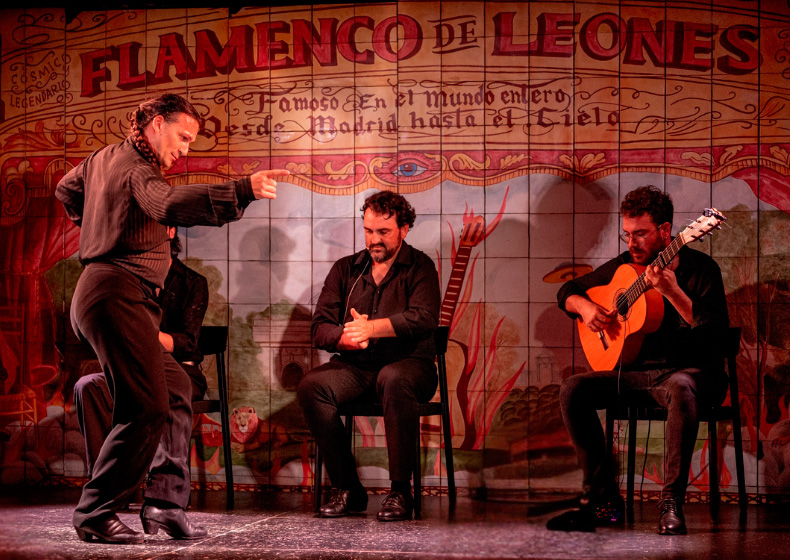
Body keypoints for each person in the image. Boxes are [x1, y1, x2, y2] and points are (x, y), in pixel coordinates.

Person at [56, 93, 289, 544]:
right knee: (144, 407)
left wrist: (99, 221)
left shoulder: (103, 158)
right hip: (114, 292)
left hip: (121, 296)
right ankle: (95, 512)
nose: (185, 149)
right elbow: (166, 205)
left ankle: (164, 502)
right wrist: (242, 190)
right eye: (182, 137)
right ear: (156, 124)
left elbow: (67, 189)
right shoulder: (136, 169)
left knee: (177, 385)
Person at [547, 186, 729, 535]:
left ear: (665, 232)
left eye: (641, 234)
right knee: (574, 389)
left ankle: (670, 502)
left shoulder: (702, 269)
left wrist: (672, 291)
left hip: (693, 374)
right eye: (627, 234)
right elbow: (566, 293)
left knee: (681, 387)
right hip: (636, 377)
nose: (632, 243)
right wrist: (585, 309)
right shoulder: (624, 267)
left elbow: (715, 337)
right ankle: (605, 501)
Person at [298, 191, 440, 522]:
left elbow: (424, 317)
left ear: (404, 229)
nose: (373, 240)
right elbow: (320, 327)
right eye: (368, 231)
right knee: (312, 386)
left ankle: (400, 491)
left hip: (411, 367)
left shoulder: (420, 266)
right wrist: (345, 338)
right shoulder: (346, 269)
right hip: (357, 368)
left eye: (383, 232)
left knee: (393, 378)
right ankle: (349, 488)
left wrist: (371, 328)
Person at [73, 227, 208, 479]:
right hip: (133, 367)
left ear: (170, 232)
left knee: (168, 389)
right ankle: (106, 482)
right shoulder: (128, 279)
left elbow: (188, 342)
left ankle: (162, 491)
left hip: (180, 370)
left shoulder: (192, 282)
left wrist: (140, 334)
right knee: (87, 386)